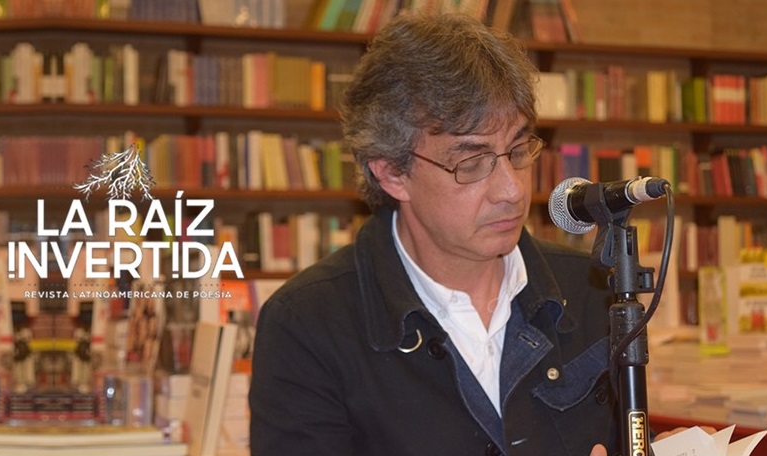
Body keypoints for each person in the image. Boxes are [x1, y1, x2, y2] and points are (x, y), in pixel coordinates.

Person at [250, 12, 693, 456]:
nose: (512, 190)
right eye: (472, 163)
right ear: (391, 173)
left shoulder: (594, 288)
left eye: (518, 151)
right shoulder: (307, 323)